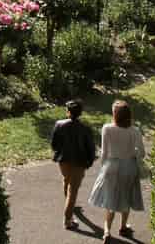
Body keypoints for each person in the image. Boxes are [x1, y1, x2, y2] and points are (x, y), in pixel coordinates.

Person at [88, 99, 147, 240]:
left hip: (111, 166)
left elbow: (104, 152)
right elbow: (142, 153)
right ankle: (123, 226)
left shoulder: (106, 128)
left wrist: (103, 168)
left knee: (110, 199)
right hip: (129, 167)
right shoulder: (135, 131)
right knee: (126, 197)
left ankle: (107, 231)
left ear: (115, 114)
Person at [50, 98, 99, 229]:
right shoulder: (86, 129)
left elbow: (54, 144)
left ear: (68, 112)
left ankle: (69, 206)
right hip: (79, 163)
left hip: (63, 161)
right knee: (73, 191)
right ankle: (67, 220)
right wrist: (89, 162)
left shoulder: (59, 124)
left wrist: (60, 151)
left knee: (66, 181)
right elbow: (91, 148)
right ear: (80, 113)